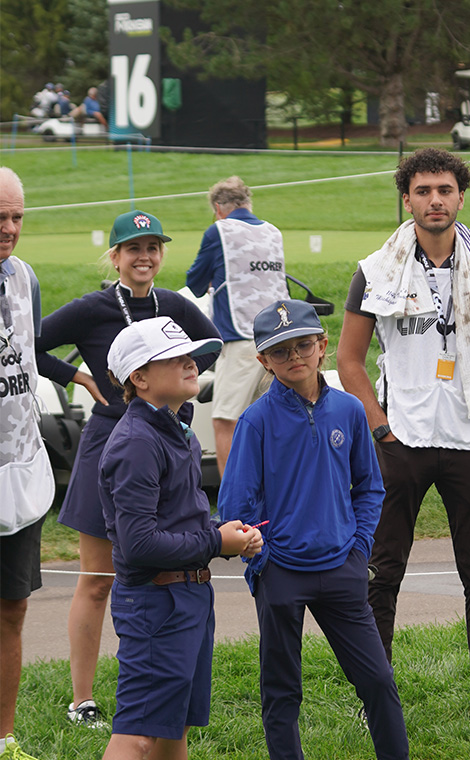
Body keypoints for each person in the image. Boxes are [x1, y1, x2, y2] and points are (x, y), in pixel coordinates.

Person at [336, 148, 470, 725]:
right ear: (407, 198)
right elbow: (349, 359)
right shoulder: (376, 269)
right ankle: (376, 696)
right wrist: (379, 425)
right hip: (403, 443)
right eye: (423, 191)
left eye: (445, 189)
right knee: (381, 571)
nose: (435, 200)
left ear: (461, 196)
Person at [35, 210, 221, 728]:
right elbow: (30, 343)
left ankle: (154, 684)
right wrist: (84, 378)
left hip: (162, 440)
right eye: (132, 248)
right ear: (114, 256)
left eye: (152, 247)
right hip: (108, 444)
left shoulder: (175, 305)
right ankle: (83, 699)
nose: (144, 256)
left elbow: (212, 346)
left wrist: (176, 395)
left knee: (159, 565)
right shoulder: (93, 307)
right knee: (98, 578)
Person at [219, 300, 409, 760]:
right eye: (280, 351)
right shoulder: (255, 421)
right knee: (282, 690)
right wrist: (263, 561)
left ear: (322, 346)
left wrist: (359, 547)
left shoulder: (348, 410)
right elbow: (236, 506)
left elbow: (369, 487)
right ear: (264, 360)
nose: (295, 357)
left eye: (304, 344)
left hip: (343, 567)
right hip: (281, 573)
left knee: (378, 680)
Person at [99, 317, 262, 760]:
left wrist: (222, 535)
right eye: (174, 358)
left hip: (187, 596)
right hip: (157, 602)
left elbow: (180, 519)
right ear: (141, 377)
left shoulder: (178, 431)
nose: (191, 362)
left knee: (173, 728)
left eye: (190, 354)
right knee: (139, 733)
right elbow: (140, 544)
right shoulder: (137, 442)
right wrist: (216, 543)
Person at [0, 167, 53, 760]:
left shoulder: (26, 277)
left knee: (11, 610)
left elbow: (30, 355)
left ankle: (4, 737)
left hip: (19, 470)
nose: (10, 229)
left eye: (17, 217)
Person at [186, 176, 289, 476]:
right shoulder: (273, 231)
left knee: (225, 420)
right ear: (248, 203)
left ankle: (234, 507)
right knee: (266, 422)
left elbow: (194, 283)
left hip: (241, 337)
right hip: (280, 338)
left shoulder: (219, 230)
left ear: (218, 208)